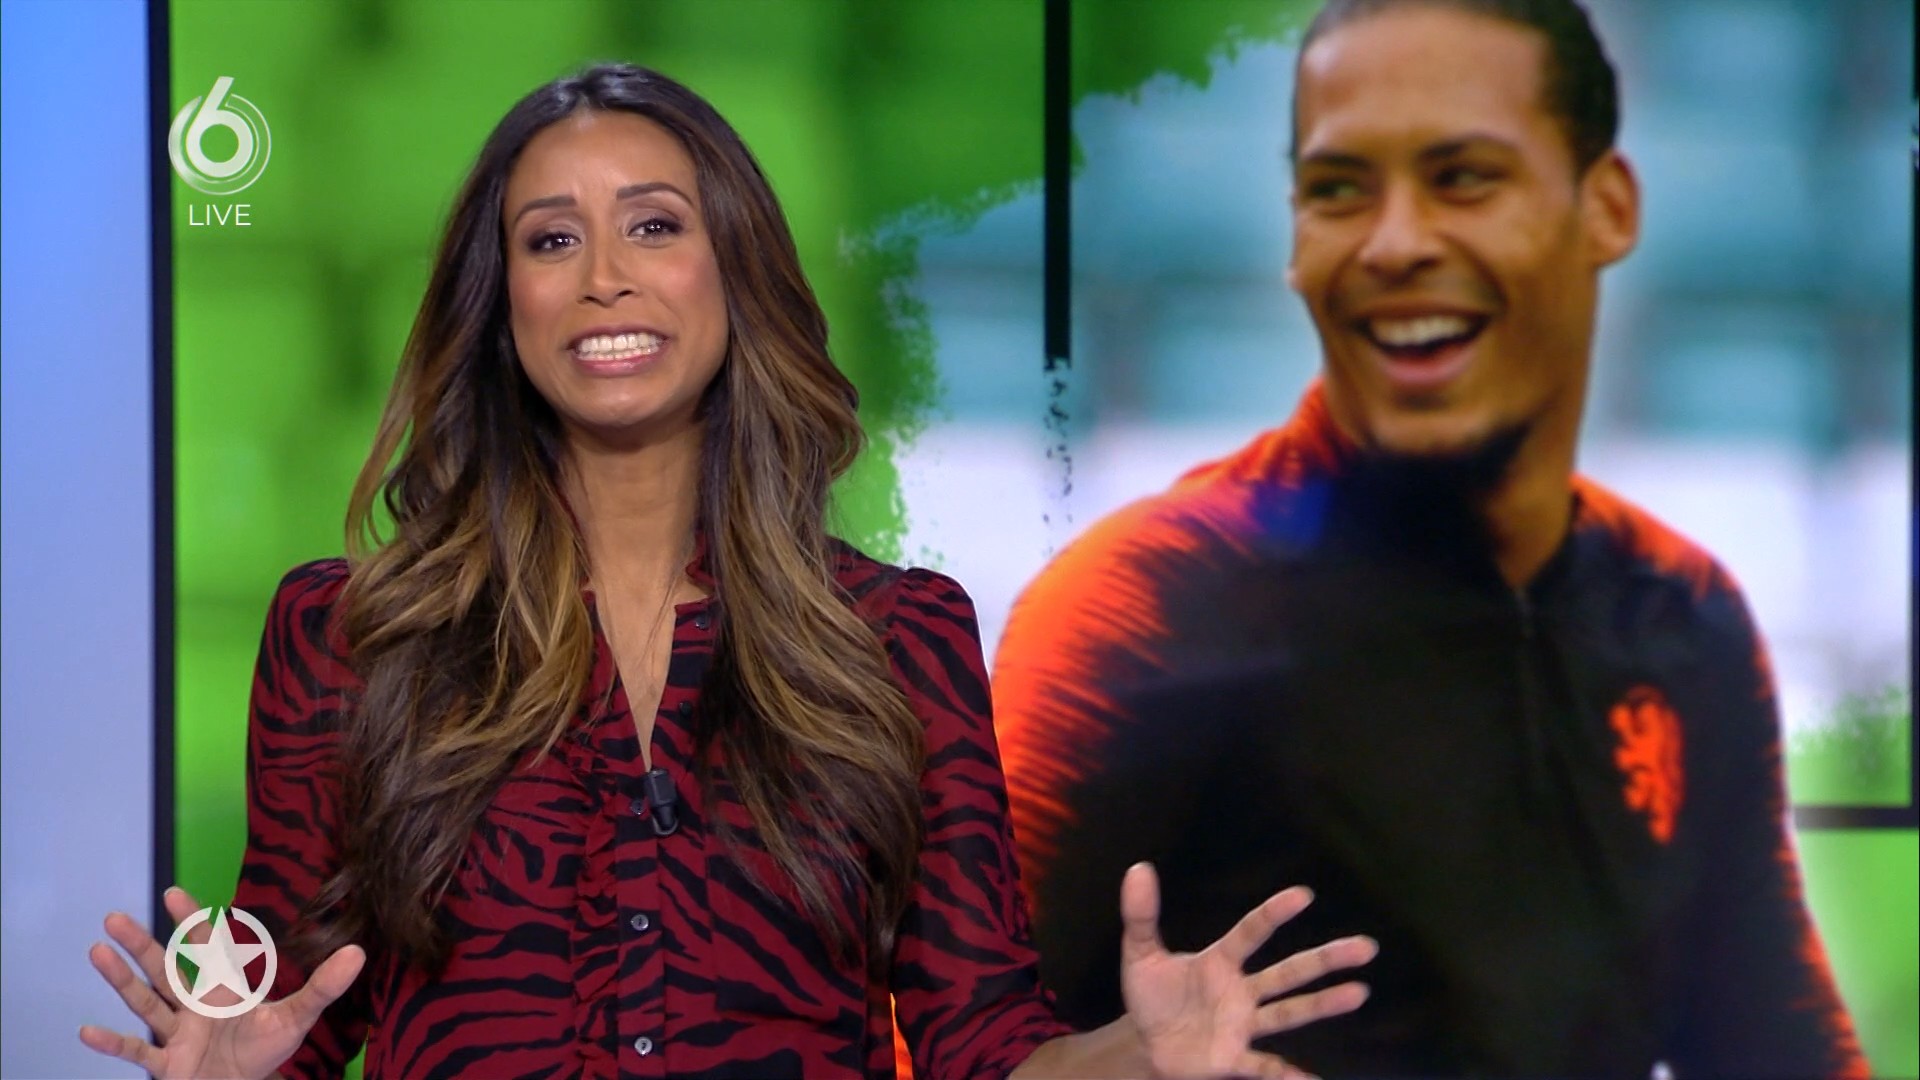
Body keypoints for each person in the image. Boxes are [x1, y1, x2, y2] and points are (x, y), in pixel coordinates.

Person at [78, 64, 1376, 1080]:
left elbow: (981, 1044)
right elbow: (291, 1017)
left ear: (735, 271)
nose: (604, 278)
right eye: (550, 241)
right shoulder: (352, 636)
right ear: (501, 302)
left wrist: (1138, 1059)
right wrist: (229, 1067)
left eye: (653, 225)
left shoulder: (897, 641)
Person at [990, 1, 1869, 1077]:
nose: (1395, 242)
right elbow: (922, 1044)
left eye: (1464, 178)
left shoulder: (1681, 613)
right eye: (1338, 190)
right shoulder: (1143, 609)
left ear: (1606, 207)